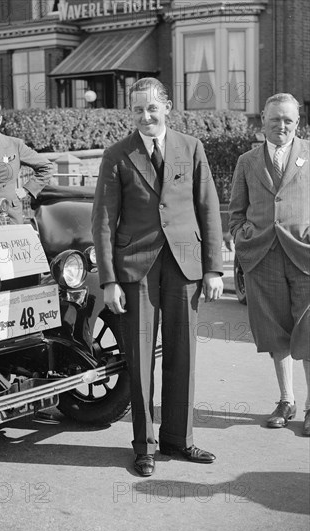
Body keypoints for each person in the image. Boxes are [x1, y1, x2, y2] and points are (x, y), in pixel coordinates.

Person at [92, 77, 224, 477]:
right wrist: (110, 280)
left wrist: (214, 268)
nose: (145, 116)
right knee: (141, 359)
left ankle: (178, 440)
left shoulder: (191, 147)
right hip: (137, 268)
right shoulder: (117, 155)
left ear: (167, 106)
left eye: (152, 108)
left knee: (183, 354)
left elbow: (209, 208)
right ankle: (144, 446)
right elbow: (102, 221)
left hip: (185, 265)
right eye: (137, 110)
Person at [229, 93, 310, 436]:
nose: (282, 126)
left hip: (305, 257)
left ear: (298, 123)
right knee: (276, 333)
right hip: (263, 256)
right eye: (275, 119)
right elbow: (235, 211)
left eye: (288, 120)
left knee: (308, 333)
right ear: (262, 120)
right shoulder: (247, 161)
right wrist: (243, 236)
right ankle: (286, 399)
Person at [0, 100, 53, 224]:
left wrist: (26, 190)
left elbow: (46, 167)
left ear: (0, 120)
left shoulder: (15, 145)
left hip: (7, 211)